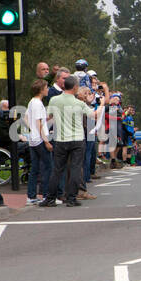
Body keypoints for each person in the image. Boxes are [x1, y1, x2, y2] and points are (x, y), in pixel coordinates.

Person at [42, 75, 92, 207]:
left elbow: (49, 116)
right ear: (75, 87)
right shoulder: (79, 103)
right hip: (77, 139)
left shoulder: (54, 100)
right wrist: (101, 103)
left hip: (61, 139)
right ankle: (71, 198)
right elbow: (93, 114)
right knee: (75, 168)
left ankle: (50, 198)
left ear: (64, 86)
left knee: (57, 169)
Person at [23, 78, 53, 205]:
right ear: (41, 89)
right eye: (46, 87)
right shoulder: (38, 103)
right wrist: (46, 141)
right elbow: (39, 123)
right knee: (47, 167)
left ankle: (31, 196)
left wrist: (33, 129)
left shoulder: (31, 102)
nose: (48, 89)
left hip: (33, 139)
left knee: (35, 168)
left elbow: (25, 118)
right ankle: (46, 195)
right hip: (40, 140)